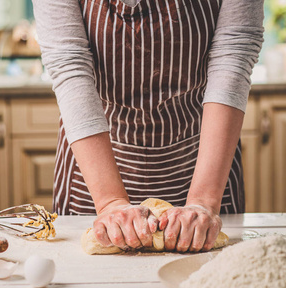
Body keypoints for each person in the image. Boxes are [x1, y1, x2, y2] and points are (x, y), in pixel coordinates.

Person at [33, 0, 264, 252]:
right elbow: (69, 63)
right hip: (95, 169)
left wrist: (203, 202)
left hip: (202, 162)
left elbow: (234, 54)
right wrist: (110, 203)